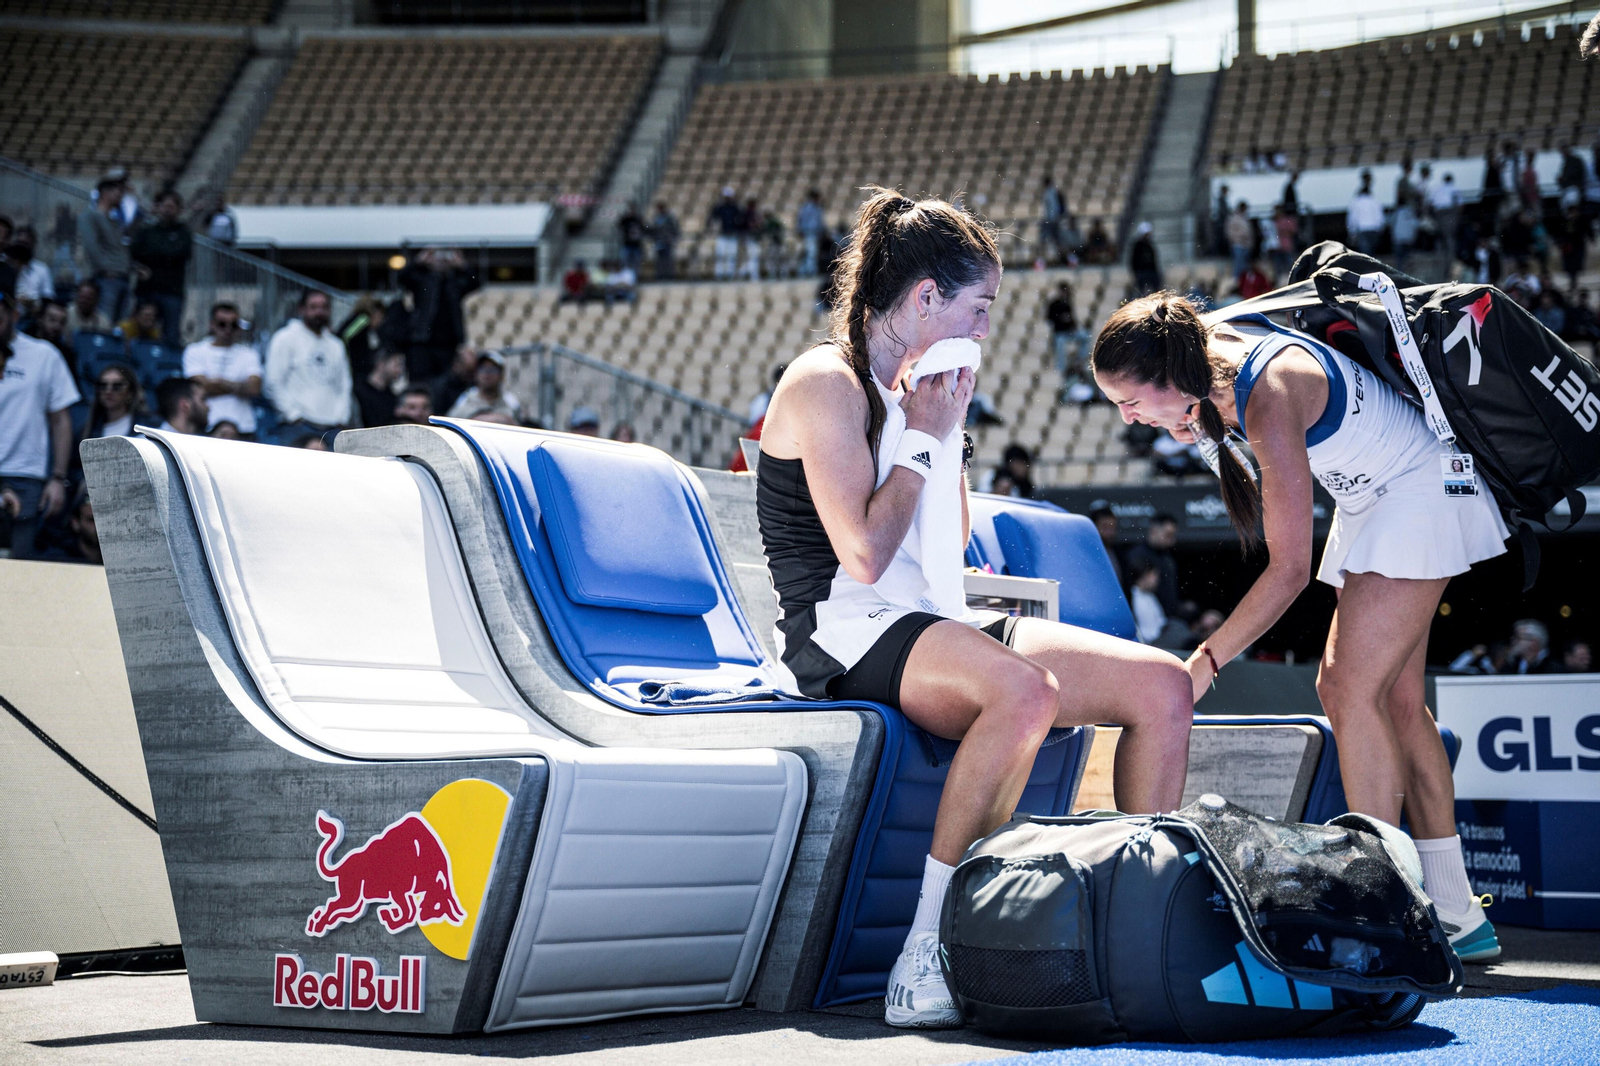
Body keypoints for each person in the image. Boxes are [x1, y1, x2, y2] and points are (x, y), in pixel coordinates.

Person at [755, 189, 1193, 1029]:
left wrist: (943, 432)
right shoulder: (823, 381)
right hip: (840, 627)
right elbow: (863, 557)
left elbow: (946, 551)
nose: (986, 328)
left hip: (921, 617)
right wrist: (923, 430)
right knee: (1027, 692)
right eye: (978, 307)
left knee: (1164, 688)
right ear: (925, 299)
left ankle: (1143, 928)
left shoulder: (923, 385)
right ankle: (931, 944)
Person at [1093, 291, 1512, 964]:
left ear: (1172, 377)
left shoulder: (1269, 391)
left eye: (1132, 401)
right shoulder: (1218, 375)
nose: (1129, 418)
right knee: (1392, 701)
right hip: (1379, 494)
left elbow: (1288, 571)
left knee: (1349, 691)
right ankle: (1457, 912)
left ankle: (1390, 909)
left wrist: (1205, 661)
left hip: (1413, 489)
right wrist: (1195, 425)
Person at [0, 291, 79, 559]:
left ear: (14, 316)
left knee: (20, 566)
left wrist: (57, 478)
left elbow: (61, 420)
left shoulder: (44, 355)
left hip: (26, 475)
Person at [264, 290, 351, 439]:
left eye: (324, 307)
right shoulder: (285, 338)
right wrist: (294, 415)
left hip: (333, 428)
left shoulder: (336, 344)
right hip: (299, 427)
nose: (319, 312)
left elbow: (345, 384)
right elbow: (273, 382)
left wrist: (342, 418)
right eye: (314, 307)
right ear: (301, 309)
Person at [183, 302, 262, 437]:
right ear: (212, 324)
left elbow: (254, 388)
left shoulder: (250, 353)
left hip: (244, 428)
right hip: (208, 426)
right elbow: (199, 388)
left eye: (234, 325)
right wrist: (239, 387)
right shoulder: (194, 350)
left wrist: (218, 383)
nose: (228, 329)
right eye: (222, 324)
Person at [398, 248, 479, 381]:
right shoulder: (422, 280)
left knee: (445, 382)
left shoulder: (455, 282)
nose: (441, 261)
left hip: (448, 344)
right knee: (419, 382)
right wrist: (419, 262)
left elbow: (475, 282)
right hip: (422, 342)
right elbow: (403, 278)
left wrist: (462, 265)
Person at [130, 188, 192, 349]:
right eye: (165, 205)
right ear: (158, 207)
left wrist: (154, 254)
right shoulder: (146, 231)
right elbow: (135, 252)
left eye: (171, 206)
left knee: (171, 335)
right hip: (146, 290)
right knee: (140, 331)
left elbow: (180, 253)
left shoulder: (184, 232)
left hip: (172, 291)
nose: (167, 209)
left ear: (178, 209)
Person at [79, 363, 146, 446]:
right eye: (103, 385)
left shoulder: (151, 427)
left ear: (130, 393)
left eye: (117, 386)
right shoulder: (86, 433)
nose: (108, 391)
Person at [447, 349, 522, 422]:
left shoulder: (510, 401)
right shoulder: (466, 398)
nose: (487, 374)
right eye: (482, 369)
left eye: (492, 369)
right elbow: (453, 421)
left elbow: (517, 426)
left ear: (501, 375)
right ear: (476, 374)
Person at [1046, 281, 1091, 385]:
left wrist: (1074, 326)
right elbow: (1049, 318)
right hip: (1060, 333)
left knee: (1085, 336)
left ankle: (1081, 359)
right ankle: (1061, 368)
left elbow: (1072, 318)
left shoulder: (1068, 302)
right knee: (1060, 344)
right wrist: (1060, 319)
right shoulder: (1054, 303)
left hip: (1070, 331)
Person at [353, 349, 408, 428]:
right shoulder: (358, 392)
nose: (399, 371)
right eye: (397, 365)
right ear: (381, 364)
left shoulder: (392, 397)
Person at [8, 226, 54, 314]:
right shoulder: (6, 265)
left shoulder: (42, 269)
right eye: (19, 243)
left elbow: (48, 299)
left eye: (25, 243)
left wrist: (33, 303)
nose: (22, 247)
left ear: (33, 244)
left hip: (32, 317)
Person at [430, 343, 479, 415]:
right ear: (456, 364)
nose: (470, 376)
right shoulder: (440, 387)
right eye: (467, 371)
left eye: (472, 371)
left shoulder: (476, 385)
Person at [1346, 171, 1384, 256]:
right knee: (1372, 254)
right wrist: (1380, 228)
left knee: (1365, 254)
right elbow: (1379, 217)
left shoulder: (1357, 202)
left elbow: (1353, 217)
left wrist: (1352, 231)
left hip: (1363, 229)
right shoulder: (1374, 200)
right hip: (1373, 228)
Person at [710, 187, 744, 280]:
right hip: (722, 235)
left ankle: (730, 274)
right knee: (720, 255)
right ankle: (719, 275)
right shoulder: (718, 208)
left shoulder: (736, 208)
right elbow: (713, 220)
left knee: (731, 255)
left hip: (732, 235)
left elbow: (740, 221)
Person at [28, 299, 73, 368]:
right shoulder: (25, 341)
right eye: (52, 320)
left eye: (62, 322)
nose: (57, 326)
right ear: (40, 318)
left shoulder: (64, 355)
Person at [1087, 505, 1124, 588]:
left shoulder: (1119, 552)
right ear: (1094, 527)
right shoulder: (1086, 554)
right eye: (1105, 527)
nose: (1110, 532)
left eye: (1112, 527)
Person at [797, 190, 825, 276]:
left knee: (811, 253)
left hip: (814, 234)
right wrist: (800, 230)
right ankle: (809, 272)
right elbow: (800, 220)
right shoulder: (807, 208)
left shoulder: (816, 208)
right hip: (809, 233)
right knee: (810, 253)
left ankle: (808, 271)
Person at [650, 202, 680, 281]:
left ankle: (669, 275)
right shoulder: (656, 218)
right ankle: (660, 275)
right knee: (659, 260)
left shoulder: (669, 218)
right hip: (658, 241)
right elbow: (653, 230)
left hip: (667, 242)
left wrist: (672, 238)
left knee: (668, 259)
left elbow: (675, 229)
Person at [1039, 176, 1066, 263]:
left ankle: (1056, 257)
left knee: (1050, 239)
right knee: (1054, 239)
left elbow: (1052, 207)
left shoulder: (1050, 193)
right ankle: (1053, 257)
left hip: (1051, 220)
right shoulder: (1052, 192)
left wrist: (1052, 218)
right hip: (1052, 219)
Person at [1130, 222, 1161, 295]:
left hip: (1150, 271)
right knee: (1141, 291)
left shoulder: (1150, 245)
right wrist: (1136, 272)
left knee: (1156, 287)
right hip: (1141, 272)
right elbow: (1134, 260)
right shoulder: (1137, 246)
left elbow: (1153, 260)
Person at [616, 203, 647, 276]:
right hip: (627, 244)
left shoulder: (638, 219)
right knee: (625, 261)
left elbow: (644, 228)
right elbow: (619, 225)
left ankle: (636, 276)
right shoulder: (626, 219)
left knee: (636, 262)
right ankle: (625, 276)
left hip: (636, 245)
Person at [1225, 201, 1254, 278]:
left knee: (1245, 265)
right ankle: (1236, 280)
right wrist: (1239, 237)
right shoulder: (1234, 218)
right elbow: (1230, 232)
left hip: (1246, 245)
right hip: (1237, 244)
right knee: (1238, 265)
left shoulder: (1245, 218)